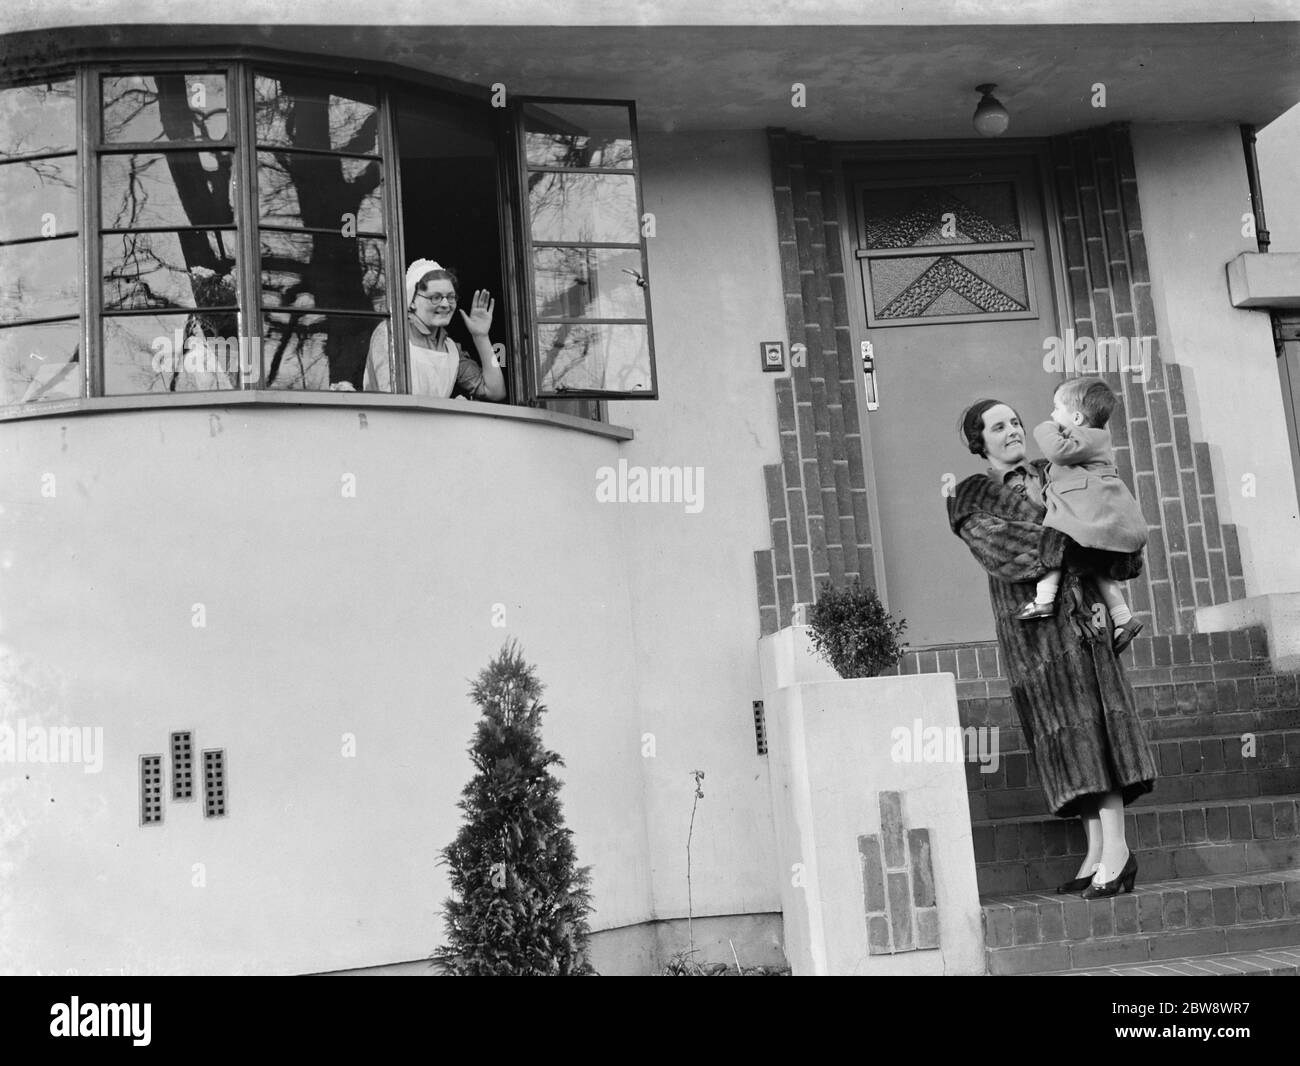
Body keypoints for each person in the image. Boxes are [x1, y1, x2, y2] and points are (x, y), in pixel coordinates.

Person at [947, 399, 1157, 899]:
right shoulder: (969, 496)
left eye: (1016, 422)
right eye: (998, 427)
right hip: (1032, 631)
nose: (1013, 431)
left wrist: (1089, 538)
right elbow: (1002, 547)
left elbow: (1109, 512)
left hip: (1083, 616)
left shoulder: (1057, 470)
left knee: (1095, 727)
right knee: (1065, 734)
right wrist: (1074, 539)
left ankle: (1118, 853)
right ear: (980, 442)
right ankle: (1095, 851)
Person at [1017, 377, 1147, 656]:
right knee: (1099, 572)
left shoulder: (1089, 438)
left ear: (1076, 417)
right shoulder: (1085, 442)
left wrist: (1045, 428)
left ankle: (1044, 599)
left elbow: (1057, 451)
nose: (1052, 415)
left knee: (1054, 549)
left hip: (1092, 523)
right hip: (1096, 526)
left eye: (1056, 409)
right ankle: (1123, 618)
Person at [357, 258, 507, 401]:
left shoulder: (451, 349)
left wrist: (481, 337)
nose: (445, 304)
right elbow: (391, 399)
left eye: (450, 297)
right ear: (412, 301)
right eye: (435, 297)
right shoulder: (390, 334)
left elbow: (495, 391)